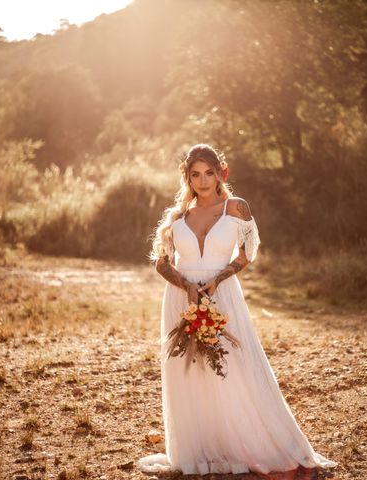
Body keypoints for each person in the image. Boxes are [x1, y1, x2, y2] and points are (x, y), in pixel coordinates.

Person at [136, 144, 338, 477]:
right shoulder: (178, 216)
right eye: (195, 174)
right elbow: (161, 262)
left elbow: (246, 254)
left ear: (222, 173)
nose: (202, 181)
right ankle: (198, 447)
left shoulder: (236, 208)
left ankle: (244, 441)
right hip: (181, 297)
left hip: (222, 294)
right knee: (190, 372)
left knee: (233, 368)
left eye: (209, 173)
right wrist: (185, 286)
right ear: (187, 177)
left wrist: (219, 278)